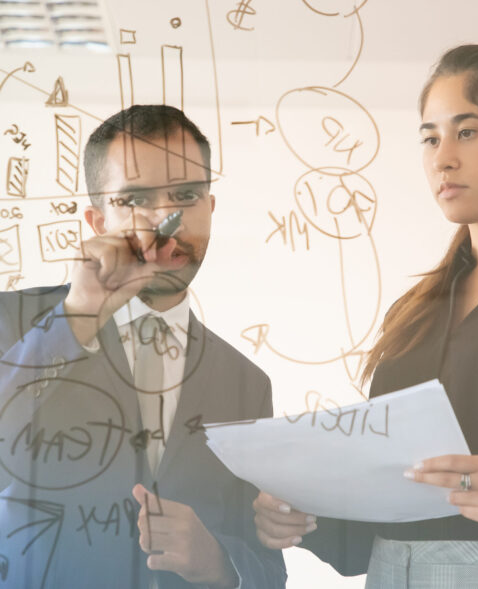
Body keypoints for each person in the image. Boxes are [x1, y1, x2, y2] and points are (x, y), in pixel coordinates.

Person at [253, 44, 478, 587]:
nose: (443, 158)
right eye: (430, 138)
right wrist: (305, 515)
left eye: (467, 131)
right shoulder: (416, 311)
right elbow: (370, 530)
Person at [0, 105, 286, 589]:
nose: (165, 219)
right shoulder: (15, 323)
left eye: (186, 195)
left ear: (210, 210)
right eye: (135, 199)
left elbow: (266, 569)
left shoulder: (246, 385)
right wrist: (78, 318)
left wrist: (217, 562)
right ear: (97, 219)